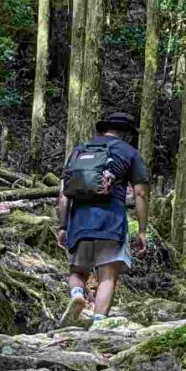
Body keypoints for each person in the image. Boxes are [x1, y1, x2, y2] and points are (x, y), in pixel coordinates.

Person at [57, 108, 150, 327]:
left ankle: (77, 294)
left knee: (77, 271)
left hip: (79, 220)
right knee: (107, 275)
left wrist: (62, 225)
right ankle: (99, 323)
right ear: (127, 133)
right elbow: (140, 193)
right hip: (111, 221)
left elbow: (62, 192)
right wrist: (142, 230)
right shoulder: (130, 153)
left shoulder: (80, 150)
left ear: (104, 129)